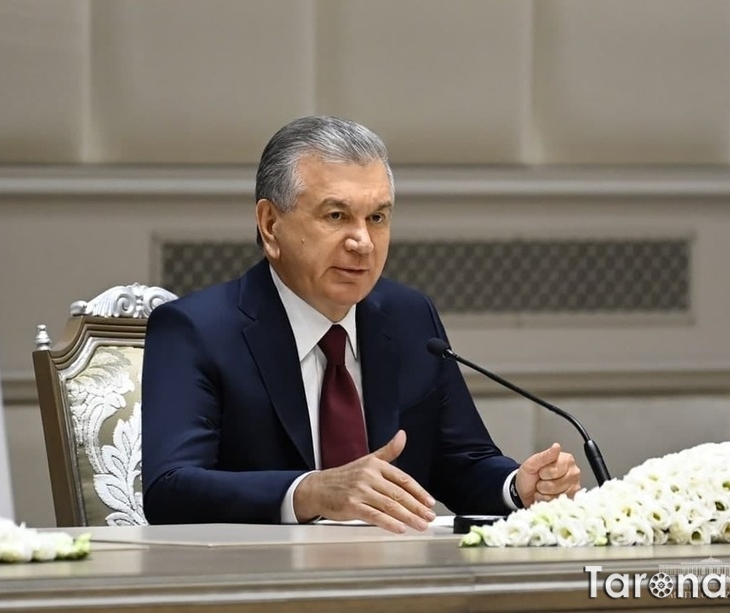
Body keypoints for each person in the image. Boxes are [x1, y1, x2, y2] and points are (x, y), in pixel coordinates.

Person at [141, 115, 581, 533]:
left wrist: (518, 487)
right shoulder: (197, 330)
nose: (363, 242)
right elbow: (171, 489)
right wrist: (311, 492)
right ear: (270, 225)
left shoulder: (408, 317)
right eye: (336, 216)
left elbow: (461, 462)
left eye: (377, 218)